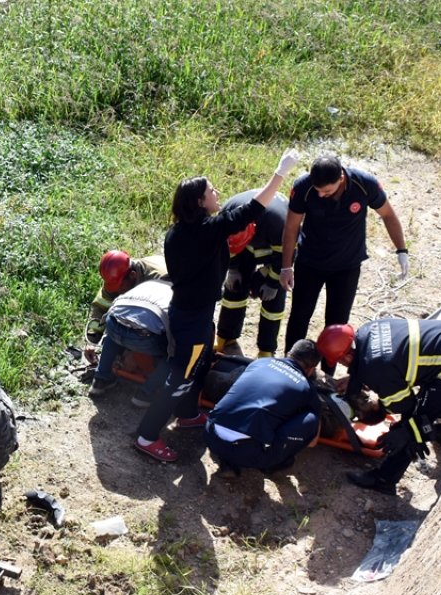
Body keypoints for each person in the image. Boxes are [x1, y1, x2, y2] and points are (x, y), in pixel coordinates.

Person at [133, 148, 302, 462]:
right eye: (212, 190)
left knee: (198, 367)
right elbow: (253, 208)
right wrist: (280, 173)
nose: (217, 193)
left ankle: (187, 414)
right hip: (192, 318)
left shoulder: (178, 232)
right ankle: (147, 435)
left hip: (191, 312)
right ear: (200, 201)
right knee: (179, 377)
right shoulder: (207, 232)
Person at [317, 318, 441, 495]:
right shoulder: (366, 331)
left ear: (347, 356)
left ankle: (384, 479)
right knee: (440, 392)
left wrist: (395, 421)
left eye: (340, 362)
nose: (342, 365)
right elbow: (385, 359)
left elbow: (405, 404)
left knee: (414, 422)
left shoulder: (378, 369)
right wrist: (359, 377)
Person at [279, 156, 409, 362]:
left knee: (337, 324)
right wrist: (286, 267)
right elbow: (292, 227)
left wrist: (401, 250)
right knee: (299, 317)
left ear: (341, 178)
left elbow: (388, 215)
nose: (321, 195)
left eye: (327, 191)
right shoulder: (304, 187)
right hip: (310, 262)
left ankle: (328, 371)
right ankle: (291, 363)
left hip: (346, 266)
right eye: (318, 190)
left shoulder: (364, 184)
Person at [204, 339, 323, 475]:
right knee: (311, 419)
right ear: (311, 369)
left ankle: (228, 461)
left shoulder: (260, 362)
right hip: (246, 453)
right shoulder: (306, 388)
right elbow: (313, 442)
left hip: (210, 434)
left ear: (288, 354)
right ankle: (274, 464)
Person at [216, 189, 290, 358]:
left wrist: (271, 281)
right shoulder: (226, 216)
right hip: (246, 248)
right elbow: (226, 248)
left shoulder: (278, 223)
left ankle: (266, 349)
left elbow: (285, 258)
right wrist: (233, 269)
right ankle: (225, 337)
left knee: (274, 297)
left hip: (278, 251)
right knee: (234, 289)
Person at [88, 279, 173, 407]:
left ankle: (100, 379)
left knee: (115, 332)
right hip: (143, 336)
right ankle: (146, 394)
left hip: (113, 323)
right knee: (174, 354)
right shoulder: (180, 295)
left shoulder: (151, 282)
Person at [82, 250, 169, 366]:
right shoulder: (117, 278)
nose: (117, 292)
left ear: (133, 276)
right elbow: (101, 306)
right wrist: (92, 340)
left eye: (121, 288)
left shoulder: (160, 279)